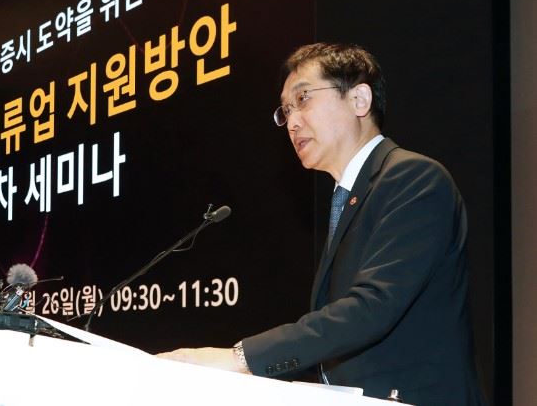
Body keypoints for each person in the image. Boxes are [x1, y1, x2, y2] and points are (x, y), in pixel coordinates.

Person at [158, 43, 486, 405]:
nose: (292, 122)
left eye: (303, 99)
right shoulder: (347, 196)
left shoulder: (413, 178)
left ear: (359, 100)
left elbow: (372, 307)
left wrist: (240, 359)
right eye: (286, 110)